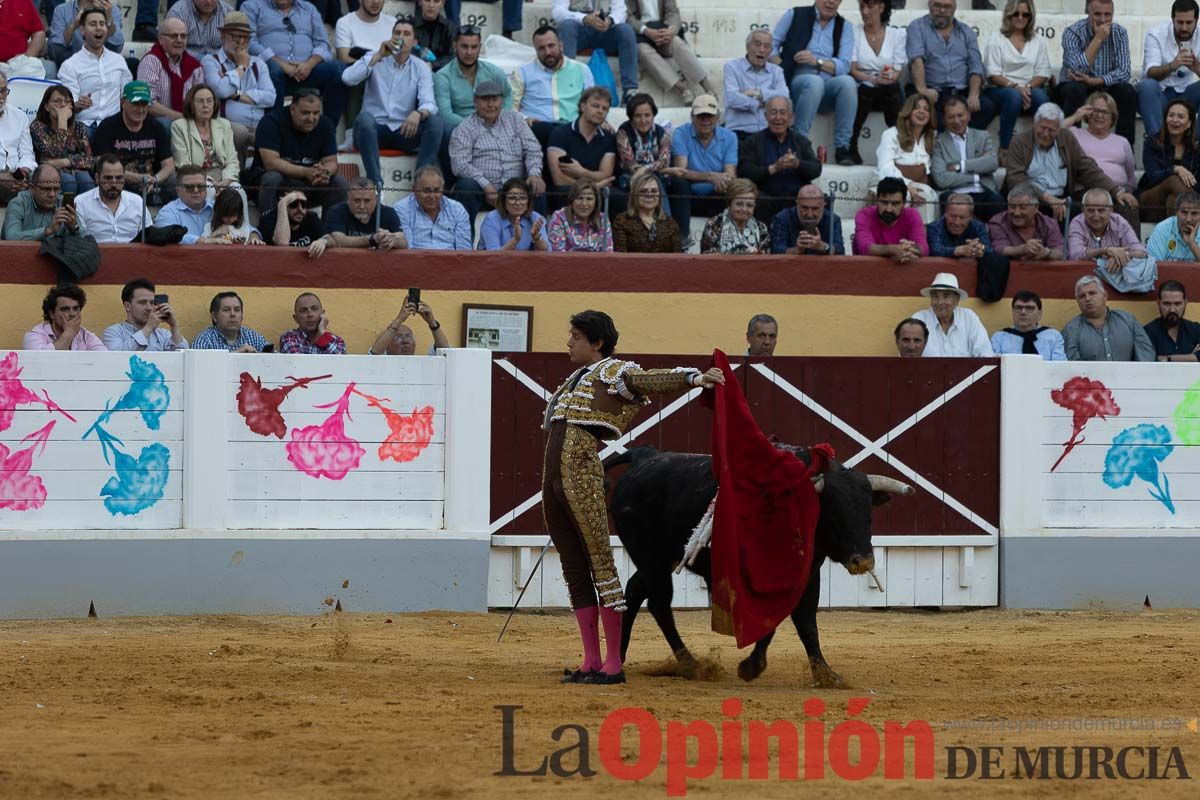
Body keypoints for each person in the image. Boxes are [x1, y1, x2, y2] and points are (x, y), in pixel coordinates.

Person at [545, 309, 723, 684]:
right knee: (575, 569)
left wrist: (694, 377)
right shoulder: (576, 378)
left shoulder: (614, 372)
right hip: (554, 476)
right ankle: (591, 661)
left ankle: (613, 664)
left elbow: (650, 379)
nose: (569, 342)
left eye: (576, 336)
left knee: (600, 566)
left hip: (579, 471)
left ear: (597, 343)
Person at [345, 16, 443, 186]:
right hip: (374, 131)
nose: (401, 37)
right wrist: (378, 56)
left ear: (414, 42)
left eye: (406, 34)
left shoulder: (420, 67)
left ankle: (421, 182)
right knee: (364, 119)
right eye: (397, 33)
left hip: (404, 130)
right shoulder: (374, 57)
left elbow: (430, 103)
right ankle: (375, 183)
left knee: (435, 123)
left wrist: (418, 113)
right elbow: (347, 78)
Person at [1004, 103, 1138, 226]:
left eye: (1051, 130)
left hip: (1062, 198)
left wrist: (1116, 191)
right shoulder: (1019, 142)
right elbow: (1016, 180)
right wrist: (1047, 198)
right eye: (1042, 128)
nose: (1045, 134)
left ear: (1059, 129)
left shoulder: (1066, 138)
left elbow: (1086, 168)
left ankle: (1133, 250)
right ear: (1035, 124)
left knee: (1122, 204)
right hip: (1030, 199)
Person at [774, 0, 857, 165]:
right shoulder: (795, 14)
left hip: (827, 85)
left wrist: (817, 61)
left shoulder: (845, 26)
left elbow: (844, 65)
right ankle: (799, 142)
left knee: (848, 82)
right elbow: (773, 45)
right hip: (798, 80)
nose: (831, 2)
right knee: (813, 82)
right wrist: (780, 68)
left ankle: (842, 148)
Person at [450, 79, 545, 222]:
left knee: (537, 186)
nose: (490, 105)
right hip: (482, 190)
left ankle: (539, 241)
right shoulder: (464, 128)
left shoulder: (515, 119)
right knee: (466, 186)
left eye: (494, 99)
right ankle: (465, 242)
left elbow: (533, 149)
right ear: (475, 101)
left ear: (501, 100)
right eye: (485, 100)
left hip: (516, 188)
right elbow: (460, 165)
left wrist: (534, 173)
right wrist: (486, 185)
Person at [244, 0, 347, 126]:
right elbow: (249, 43)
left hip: (307, 73)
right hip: (272, 74)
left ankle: (328, 129)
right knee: (272, 69)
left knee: (339, 69)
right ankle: (275, 130)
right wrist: (282, 64)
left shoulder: (309, 9)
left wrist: (309, 65)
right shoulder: (252, 7)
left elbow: (323, 44)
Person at [1056, 0, 1137, 148]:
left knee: (1127, 92)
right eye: (1097, 14)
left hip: (1103, 84)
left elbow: (1124, 72)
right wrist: (1098, 39)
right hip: (1075, 84)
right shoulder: (1072, 32)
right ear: (1088, 13)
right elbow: (1076, 71)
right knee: (1075, 90)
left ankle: (1124, 150)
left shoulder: (1119, 32)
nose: (1103, 20)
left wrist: (1096, 81)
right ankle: (1068, 149)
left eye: (1108, 15)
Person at [251, 88, 347, 212]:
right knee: (272, 178)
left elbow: (331, 161)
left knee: (340, 183)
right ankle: (268, 226)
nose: (311, 118)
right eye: (305, 113)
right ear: (292, 110)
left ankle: (329, 230)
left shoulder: (325, 125)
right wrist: (306, 172)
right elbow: (271, 163)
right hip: (280, 182)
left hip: (309, 183)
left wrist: (325, 173)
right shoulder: (271, 122)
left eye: (316, 113)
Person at [906, 0, 994, 131]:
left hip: (960, 92)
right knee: (924, 112)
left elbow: (976, 65)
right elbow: (916, 60)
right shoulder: (917, 27)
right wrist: (923, 89)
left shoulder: (966, 31)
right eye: (937, 6)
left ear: (954, 8)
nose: (942, 11)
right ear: (929, 5)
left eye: (947, 7)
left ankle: (963, 142)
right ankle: (946, 145)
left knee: (987, 106)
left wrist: (974, 94)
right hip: (932, 92)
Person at [665, 94, 738, 244]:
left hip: (715, 194)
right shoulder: (681, 133)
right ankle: (682, 238)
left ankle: (727, 240)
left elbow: (730, 173)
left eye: (709, 116)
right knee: (679, 181)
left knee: (732, 185)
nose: (706, 120)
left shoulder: (730, 137)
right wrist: (711, 176)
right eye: (701, 116)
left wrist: (722, 180)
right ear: (692, 117)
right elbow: (680, 170)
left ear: (718, 117)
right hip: (688, 196)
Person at [202, 11, 275, 156]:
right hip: (226, 126)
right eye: (236, 37)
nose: (242, 42)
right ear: (223, 37)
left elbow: (270, 98)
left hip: (257, 126)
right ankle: (237, 175)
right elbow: (221, 91)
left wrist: (236, 95)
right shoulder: (210, 61)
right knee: (240, 133)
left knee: (275, 132)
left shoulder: (258, 63)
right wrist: (241, 67)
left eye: (246, 38)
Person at [982, 0, 1052, 152]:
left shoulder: (1038, 41)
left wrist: (1026, 88)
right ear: (1009, 15)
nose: (1020, 17)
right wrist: (1015, 87)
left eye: (1025, 14)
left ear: (1030, 17)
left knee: (1041, 98)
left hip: (1028, 89)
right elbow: (993, 74)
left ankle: (1043, 147)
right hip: (1000, 89)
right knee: (1013, 97)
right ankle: (1005, 148)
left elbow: (1043, 72)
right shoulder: (996, 39)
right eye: (1016, 13)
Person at [736, 96, 821, 221]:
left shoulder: (801, 141)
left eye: (783, 112)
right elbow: (745, 170)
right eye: (773, 112)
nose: (778, 118)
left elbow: (816, 169)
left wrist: (797, 164)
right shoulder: (753, 141)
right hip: (766, 199)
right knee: (759, 201)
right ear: (766, 116)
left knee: (820, 201)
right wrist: (773, 168)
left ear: (790, 117)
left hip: (797, 200)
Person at [92, 81, 177, 203]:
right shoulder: (108, 127)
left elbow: (169, 165)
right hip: (121, 182)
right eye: (136, 104)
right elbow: (101, 165)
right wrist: (138, 178)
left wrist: (155, 179)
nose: (141, 109)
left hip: (152, 182)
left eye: (144, 104)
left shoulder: (156, 127)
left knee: (178, 181)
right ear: (123, 103)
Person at [511, 25, 595, 146]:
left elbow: (591, 103)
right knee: (543, 131)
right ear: (535, 50)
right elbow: (510, 106)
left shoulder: (582, 70)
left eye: (551, 46)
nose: (547, 52)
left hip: (572, 129)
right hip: (537, 130)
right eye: (541, 48)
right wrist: (524, 119)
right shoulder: (523, 72)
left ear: (560, 45)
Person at [57, 8, 132, 136]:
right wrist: (78, 105)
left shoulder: (118, 61)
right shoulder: (70, 65)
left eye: (102, 24)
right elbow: (66, 106)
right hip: (85, 126)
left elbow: (127, 96)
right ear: (82, 30)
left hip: (114, 126)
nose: (99, 28)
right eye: (93, 24)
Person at [849, 0, 905, 165]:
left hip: (887, 86)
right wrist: (873, 79)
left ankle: (898, 144)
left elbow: (897, 70)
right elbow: (852, 69)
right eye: (862, 7)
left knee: (893, 88)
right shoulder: (854, 32)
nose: (865, 12)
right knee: (866, 90)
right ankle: (852, 144)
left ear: (881, 7)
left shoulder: (897, 34)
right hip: (863, 85)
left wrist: (887, 78)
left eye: (870, 6)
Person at [551, 0, 639, 104]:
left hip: (604, 31)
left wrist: (610, 20)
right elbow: (558, 12)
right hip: (578, 31)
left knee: (626, 30)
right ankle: (566, 86)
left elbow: (621, 10)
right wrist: (585, 19)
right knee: (567, 26)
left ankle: (630, 91)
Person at [626, 0, 713, 105]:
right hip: (641, 33)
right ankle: (683, 89)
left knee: (676, 42)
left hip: (663, 29)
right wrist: (646, 31)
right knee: (642, 51)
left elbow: (673, 12)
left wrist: (671, 30)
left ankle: (709, 89)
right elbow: (628, 17)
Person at [931, 95, 1003, 220]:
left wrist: (960, 166)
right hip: (954, 193)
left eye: (960, 115)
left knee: (997, 202)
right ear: (944, 119)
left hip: (982, 190)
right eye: (951, 117)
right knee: (950, 204)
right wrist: (976, 174)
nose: (957, 121)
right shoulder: (938, 143)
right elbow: (941, 179)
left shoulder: (983, 136)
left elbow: (992, 163)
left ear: (969, 115)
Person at [1065, 91, 1137, 215]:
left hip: (1118, 193)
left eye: (1104, 112)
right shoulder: (1075, 134)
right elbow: (1052, 131)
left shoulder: (1122, 141)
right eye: (1095, 111)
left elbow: (1131, 177)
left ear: (1112, 117)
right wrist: (1076, 116)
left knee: (1129, 205)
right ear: (1087, 113)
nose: (1099, 116)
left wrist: (1125, 192)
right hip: (1086, 192)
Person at [1138, 0, 1200, 141]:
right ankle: (1158, 143)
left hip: (1187, 96)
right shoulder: (1156, 34)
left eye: (1189, 23)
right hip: (1160, 94)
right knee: (1147, 86)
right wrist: (1173, 65)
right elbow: (1151, 73)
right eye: (1179, 22)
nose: (1184, 28)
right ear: (1172, 19)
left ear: (1196, 20)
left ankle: (1195, 144)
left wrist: (1197, 69)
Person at [873, 93, 938, 224]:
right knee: (901, 196)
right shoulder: (891, 134)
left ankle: (920, 240)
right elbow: (885, 167)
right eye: (917, 108)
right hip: (889, 180)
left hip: (918, 183)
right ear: (908, 111)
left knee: (927, 196)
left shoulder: (932, 137)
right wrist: (907, 186)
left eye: (926, 109)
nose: (922, 111)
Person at [434, 23, 512, 132]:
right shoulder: (443, 77)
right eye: (464, 47)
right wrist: (477, 128)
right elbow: (445, 114)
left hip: (494, 126)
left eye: (474, 47)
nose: (469, 52)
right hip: (460, 129)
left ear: (480, 47)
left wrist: (500, 119)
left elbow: (507, 94)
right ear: (455, 46)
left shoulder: (493, 72)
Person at [546, 86, 617, 204]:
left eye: (605, 108)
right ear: (583, 106)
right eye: (595, 106)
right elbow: (559, 179)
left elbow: (606, 176)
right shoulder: (560, 133)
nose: (600, 111)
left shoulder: (608, 138)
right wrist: (594, 186)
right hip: (567, 191)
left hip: (596, 191)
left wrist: (581, 172)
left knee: (617, 196)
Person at [1062, 275, 1155, 361]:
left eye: (1092, 293)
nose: (1087, 299)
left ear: (1105, 295)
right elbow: (1073, 368)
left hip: (1129, 378)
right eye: (1082, 296)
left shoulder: (1127, 320)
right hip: (1090, 379)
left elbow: (1146, 357)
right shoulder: (1071, 330)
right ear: (1077, 301)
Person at [137, 17, 204, 136]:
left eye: (183, 36)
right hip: (157, 121)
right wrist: (180, 118)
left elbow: (199, 100)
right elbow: (146, 102)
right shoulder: (151, 61)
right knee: (166, 125)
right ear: (160, 39)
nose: (179, 40)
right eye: (174, 36)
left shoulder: (195, 67)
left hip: (189, 120)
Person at [1138, 99, 1200, 223]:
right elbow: (1153, 177)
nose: (1175, 120)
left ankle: (1179, 241)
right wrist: (1175, 169)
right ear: (1165, 119)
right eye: (1171, 115)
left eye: (1180, 116)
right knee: (1173, 179)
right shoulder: (1152, 143)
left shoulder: (1196, 148)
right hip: (1151, 200)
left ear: (1189, 123)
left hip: (1174, 205)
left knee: (1174, 200)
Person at [29, 84, 96, 195]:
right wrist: (62, 122)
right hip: (48, 172)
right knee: (68, 181)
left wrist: (66, 162)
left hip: (73, 169)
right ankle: (63, 212)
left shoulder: (78, 127)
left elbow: (90, 160)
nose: (63, 105)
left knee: (86, 181)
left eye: (68, 101)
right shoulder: (37, 127)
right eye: (57, 101)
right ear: (46, 106)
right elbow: (55, 152)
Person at [911, 271, 993, 357]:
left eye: (946, 296)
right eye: (935, 296)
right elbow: (909, 357)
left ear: (957, 299)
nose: (940, 302)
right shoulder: (919, 320)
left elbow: (985, 354)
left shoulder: (969, 318)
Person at [171, 84, 239, 188]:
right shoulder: (179, 126)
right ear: (191, 105)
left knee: (238, 191)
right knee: (209, 190)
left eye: (209, 101)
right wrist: (210, 181)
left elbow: (232, 160)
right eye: (200, 101)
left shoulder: (224, 124)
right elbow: (183, 164)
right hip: (195, 179)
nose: (205, 105)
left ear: (214, 104)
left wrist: (227, 180)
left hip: (223, 176)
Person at [723, 30, 788, 136]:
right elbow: (732, 98)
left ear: (771, 51)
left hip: (768, 133)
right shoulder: (732, 67)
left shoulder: (777, 71)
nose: (762, 50)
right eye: (757, 44)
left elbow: (785, 97)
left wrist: (758, 93)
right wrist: (760, 104)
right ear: (747, 46)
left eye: (766, 46)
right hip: (739, 132)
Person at [393, 165, 472, 249]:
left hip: (451, 261)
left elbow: (464, 251)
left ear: (443, 189)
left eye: (437, 191)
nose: (432, 196)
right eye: (426, 191)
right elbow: (407, 250)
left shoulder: (457, 210)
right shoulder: (401, 209)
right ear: (414, 189)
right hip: (416, 261)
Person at [615, 93, 671, 210]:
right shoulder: (623, 132)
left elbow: (664, 160)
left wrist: (645, 168)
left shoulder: (662, 132)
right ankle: (664, 224)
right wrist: (647, 170)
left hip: (658, 176)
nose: (643, 120)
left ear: (653, 115)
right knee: (652, 183)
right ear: (631, 117)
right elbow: (630, 165)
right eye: (638, 116)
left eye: (647, 115)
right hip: (629, 177)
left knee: (670, 183)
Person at [852, 176, 929, 261]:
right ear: (877, 200)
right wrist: (893, 250)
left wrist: (906, 249)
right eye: (884, 203)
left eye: (895, 204)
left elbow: (923, 249)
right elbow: (865, 248)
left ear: (904, 203)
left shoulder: (912, 215)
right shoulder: (864, 215)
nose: (889, 209)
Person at [73, 154, 145, 243]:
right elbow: (78, 240)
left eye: (119, 178)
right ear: (97, 178)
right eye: (108, 178)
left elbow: (149, 235)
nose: (114, 184)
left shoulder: (137, 202)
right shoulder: (81, 202)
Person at [101, 277, 188, 351]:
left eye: (152, 302)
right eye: (142, 302)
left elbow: (184, 356)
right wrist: (148, 328)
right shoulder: (113, 332)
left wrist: (174, 326)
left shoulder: (163, 334)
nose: (149, 307)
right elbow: (119, 358)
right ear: (127, 306)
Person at [2, 165, 85, 241]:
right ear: (32, 188)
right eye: (46, 189)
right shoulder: (18, 204)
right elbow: (12, 238)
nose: (52, 195)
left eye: (56, 189)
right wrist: (48, 230)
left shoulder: (62, 203)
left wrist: (74, 227)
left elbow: (83, 240)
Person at [1067, 188, 1148, 265]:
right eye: (1090, 210)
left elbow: (1141, 252)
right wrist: (1105, 251)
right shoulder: (1077, 223)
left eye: (1101, 210)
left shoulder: (1119, 222)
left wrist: (1121, 256)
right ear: (1083, 210)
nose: (1096, 216)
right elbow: (1075, 254)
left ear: (1111, 210)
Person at [324, 178, 406, 249]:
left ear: (376, 200)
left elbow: (403, 241)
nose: (362, 206)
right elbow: (339, 241)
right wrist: (371, 239)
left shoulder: (388, 213)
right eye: (357, 200)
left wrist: (391, 240)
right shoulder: (337, 211)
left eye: (367, 201)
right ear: (348, 199)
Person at [612, 169, 681, 253]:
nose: (649, 195)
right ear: (634, 195)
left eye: (654, 191)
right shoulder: (622, 221)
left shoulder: (670, 223)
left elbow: (677, 257)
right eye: (643, 191)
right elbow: (620, 258)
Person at [154, 164, 227, 243]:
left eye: (200, 186)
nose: (196, 190)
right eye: (189, 187)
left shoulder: (218, 209)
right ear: (178, 191)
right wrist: (202, 241)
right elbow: (166, 235)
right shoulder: (168, 212)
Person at [23, 283, 106, 351]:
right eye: (65, 309)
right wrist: (68, 333)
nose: (72, 314)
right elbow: (42, 361)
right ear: (52, 314)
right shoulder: (35, 335)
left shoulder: (86, 336)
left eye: (76, 308)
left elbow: (106, 360)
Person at [988, 186, 1064, 260]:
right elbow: (999, 249)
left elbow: (1060, 252)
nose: (1017, 213)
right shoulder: (998, 222)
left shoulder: (1050, 224)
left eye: (1023, 207)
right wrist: (1023, 249)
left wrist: (1047, 253)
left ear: (1036, 207)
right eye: (1012, 207)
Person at [989, 290, 1067, 360]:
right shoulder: (999, 339)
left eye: (1029, 308)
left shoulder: (1053, 337)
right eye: (1018, 307)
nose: (1023, 312)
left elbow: (1059, 367)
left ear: (1039, 314)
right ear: (1012, 312)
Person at [926, 193, 1001, 264]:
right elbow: (935, 250)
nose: (957, 222)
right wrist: (959, 250)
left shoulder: (979, 226)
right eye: (953, 216)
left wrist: (979, 248)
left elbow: (989, 250)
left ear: (970, 217)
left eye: (962, 217)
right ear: (945, 213)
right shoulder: (934, 227)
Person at [770, 183, 844, 255]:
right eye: (804, 208)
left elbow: (840, 251)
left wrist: (823, 247)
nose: (810, 214)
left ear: (823, 205)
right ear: (797, 202)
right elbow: (776, 251)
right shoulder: (782, 218)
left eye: (815, 209)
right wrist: (797, 250)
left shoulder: (832, 220)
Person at [700, 179, 770, 255]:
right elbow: (708, 258)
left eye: (749, 205)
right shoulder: (714, 225)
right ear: (729, 204)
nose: (744, 209)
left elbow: (765, 259)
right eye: (739, 204)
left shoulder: (761, 228)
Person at [478, 177, 549, 251]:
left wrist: (537, 238)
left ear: (528, 202)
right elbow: (493, 256)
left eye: (523, 198)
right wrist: (515, 240)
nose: (518, 203)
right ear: (503, 202)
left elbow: (548, 253)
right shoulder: (491, 219)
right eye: (512, 198)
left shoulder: (536, 218)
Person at [49, 0, 124, 67]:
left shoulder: (112, 10)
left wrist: (109, 21)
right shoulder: (62, 10)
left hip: (104, 64)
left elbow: (118, 47)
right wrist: (74, 25)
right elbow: (54, 51)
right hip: (73, 66)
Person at [192, 290, 271, 352]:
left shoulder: (253, 337)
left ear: (242, 315)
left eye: (237, 310)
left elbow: (276, 360)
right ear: (214, 316)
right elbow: (197, 367)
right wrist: (235, 355)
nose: (233, 314)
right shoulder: (205, 340)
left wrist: (259, 357)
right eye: (226, 310)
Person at [548, 178, 613, 252]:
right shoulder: (560, 217)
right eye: (579, 198)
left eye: (589, 199)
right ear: (571, 200)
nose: (584, 203)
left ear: (596, 203)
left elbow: (608, 253)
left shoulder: (603, 219)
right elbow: (558, 254)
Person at [0, 73, 36, 204]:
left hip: (16, 177)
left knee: (43, 180)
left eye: (4, 91)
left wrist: (23, 172)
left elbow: (27, 153)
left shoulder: (19, 116)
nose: (1, 97)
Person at [264, 188, 331, 256]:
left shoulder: (311, 218)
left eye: (304, 204)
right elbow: (282, 243)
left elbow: (330, 238)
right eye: (294, 204)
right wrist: (283, 203)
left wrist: (323, 241)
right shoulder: (270, 219)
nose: (300, 209)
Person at [368, 299, 449, 354]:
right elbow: (375, 353)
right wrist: (399, 319)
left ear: (414, 343)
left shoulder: (424, 364)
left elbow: (446, 353)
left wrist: (432, 324)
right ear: (387, 346)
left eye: (408, 336)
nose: (405, 341)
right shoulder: (382, 363)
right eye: (398, 337)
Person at [1145, 280, 1200, 361]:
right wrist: (1191, 357)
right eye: (1167, 304)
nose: (1172, 310)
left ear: (1185, 303)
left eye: (1177, 304)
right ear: (1158, 303)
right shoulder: (1148, 332)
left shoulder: (1195, 330)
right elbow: (1148, 361)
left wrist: (1168, 358)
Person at [279, 292, 347, 354]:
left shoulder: (337, 341)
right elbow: (297, 364)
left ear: (322, 314)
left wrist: (322, 333)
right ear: (296, 318)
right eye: (303, 311)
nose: (310, 314)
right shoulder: (289, 337)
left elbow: (341, 363)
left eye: (314, 309)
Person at [165, 0, 233, 59]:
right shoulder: (178, 13)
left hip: (220, 64)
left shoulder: (228, 12)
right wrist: (205, 60)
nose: (209, 1)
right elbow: (173, 48)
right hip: (186, 63)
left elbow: (234, 45)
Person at [335, 0, 396, 64]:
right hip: (359, 72)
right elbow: (344, 59)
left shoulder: (393, 23)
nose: (376, 1)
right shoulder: (344, 23)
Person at [0, 0, 46, 79]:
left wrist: (26, 57)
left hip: (19, 66)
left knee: (50, 69)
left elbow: (39, 33)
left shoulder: (24, 2)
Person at [1148, 191, 1200, 261]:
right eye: (1184, 212)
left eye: (1194, 213)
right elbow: (1152, 267)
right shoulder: (1162, 229)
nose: (1188, 219)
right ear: (1176, 212)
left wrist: (1193, 245)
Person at [414, 0, 454, 72]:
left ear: (442, 4)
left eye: (436, 1)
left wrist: (433, 64)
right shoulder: (410, 26)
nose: (431, 5)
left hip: (441, 73)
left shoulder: (449, 27)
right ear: (420, 2)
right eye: (427, 0)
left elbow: (453, 55)